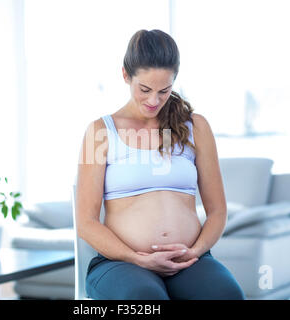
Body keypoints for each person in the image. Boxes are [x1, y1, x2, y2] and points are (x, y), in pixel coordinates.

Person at [75, 29, 245, 300]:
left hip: (188, 262)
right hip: (121, 264)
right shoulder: (100, 132)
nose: (154, 101)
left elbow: (217, 211)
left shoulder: (195, 127)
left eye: (164, 91)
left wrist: (196, 251)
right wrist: (137, 258)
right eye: (145, 89)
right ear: (125, 75)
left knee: (226, 296)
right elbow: (86, 222)